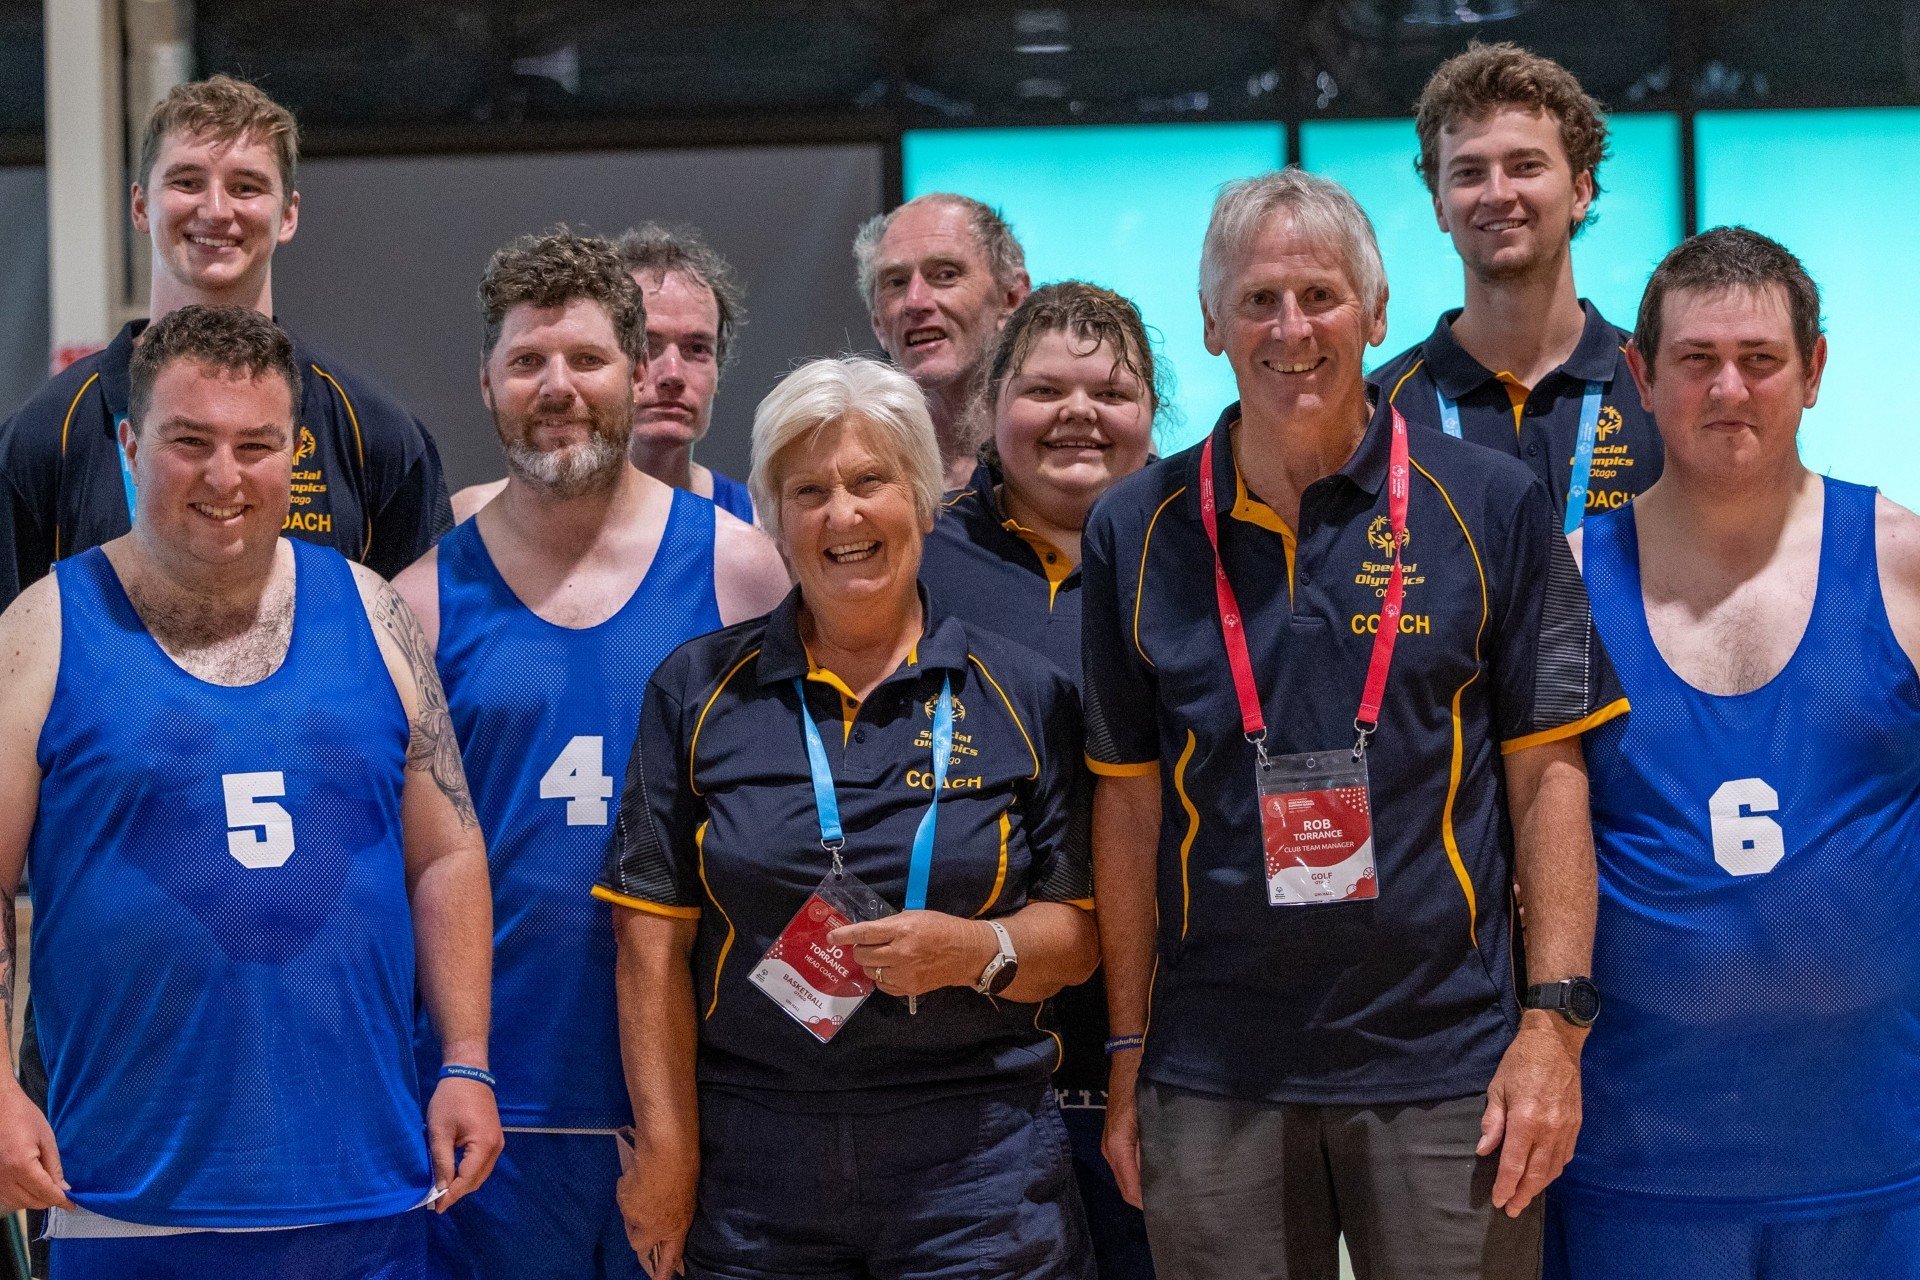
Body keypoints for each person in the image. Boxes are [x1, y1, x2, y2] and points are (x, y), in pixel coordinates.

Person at [1083, 168, 1625, 1280]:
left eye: (1323, 296)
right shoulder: (1134, 528)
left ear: (1377, 314)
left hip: (1445, 1065)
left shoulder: (1486, 502)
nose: (1293, 329)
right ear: (1211, 322)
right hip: (1215, 1069)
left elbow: (1548, 773)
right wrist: (1131, 1046)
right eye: (1259, 300)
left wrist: (1554, 1024)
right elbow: (1128, 804)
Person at [0, 305, 499, 1278]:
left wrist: (467, 1056)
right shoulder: (42, 629)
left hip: (368, 1193)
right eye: (190, 442)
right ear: (131, 445)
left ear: (294, 452)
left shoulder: (374, 609)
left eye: (255, 445)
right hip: (123, 1200)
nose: (224, 478)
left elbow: (447, 850)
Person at [596, 355, 1098, 1280]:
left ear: (922, 498)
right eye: (809, 490)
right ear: (775, 520)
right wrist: (669, 1156)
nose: (843, 515)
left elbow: (1078, 935)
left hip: (975, 1165)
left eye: (871, 482)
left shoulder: (1024, 693)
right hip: (757, 1165)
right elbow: (648, 946)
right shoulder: (696, 691)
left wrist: (974, 949)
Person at [394, 229, 788, 1280]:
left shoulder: (744, 574)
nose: (557, 386)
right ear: (486, 382)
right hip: (487, 1107)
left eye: (586, 358)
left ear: (634, 370)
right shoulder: (420, 602)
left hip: (699, 1102)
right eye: (528, 361)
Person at [1548, 228, 1920, 1279]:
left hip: (1877, 1161)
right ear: (1641, 374)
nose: (1729, 389)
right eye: (1697, 360)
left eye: (1760, 359)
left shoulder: (1903, 563)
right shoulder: (1567, 582)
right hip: (1637, 1164)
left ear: (1814, 370)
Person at [918, 281, 1161, 1280]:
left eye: (1112, 390)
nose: (1078, 414)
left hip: (1177, 1052)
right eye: (1045, 388)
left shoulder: (1201, 550)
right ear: (990, 405)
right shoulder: (919, 561)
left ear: (1153, 411)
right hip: (970, 1062)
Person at [0, 74, 452, 608]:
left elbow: (422, 649)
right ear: (142, 207)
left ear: (288, 215)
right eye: (187, 182)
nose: (216, 210)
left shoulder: (375, 437)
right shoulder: (43, 438)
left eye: (246, 186)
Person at [1370, 42, 1660, 530]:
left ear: (1580, 191)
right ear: (1440, 206)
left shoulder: (1661, 386)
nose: (1498, 193)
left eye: (1526, 166)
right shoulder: (1378, 413)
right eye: (1468, 173)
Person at [452, 224, 758, 525]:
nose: (672, 374)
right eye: (647, 345)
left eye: (697, 349)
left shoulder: (759, 526)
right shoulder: (469, 522)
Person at [855, 194, 1032, 488]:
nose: (915, 302)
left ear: (1012, 297)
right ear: (878, 324)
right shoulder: (854, 478)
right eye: (896, 282)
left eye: (945, 275)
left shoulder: (1064, 460)